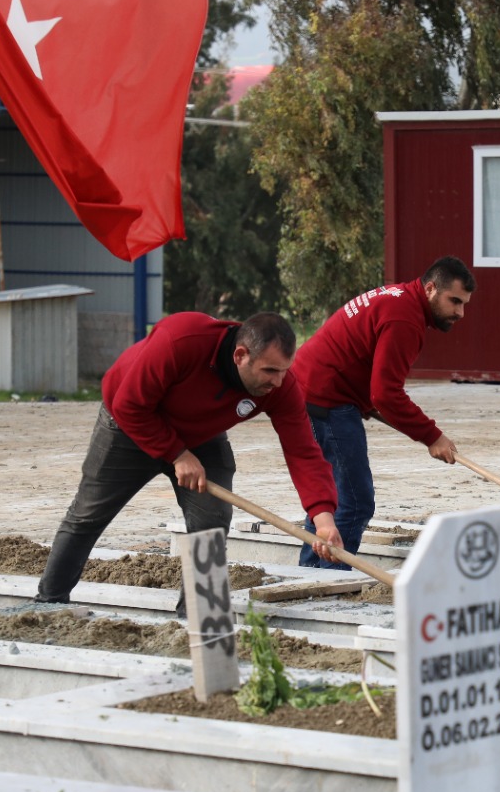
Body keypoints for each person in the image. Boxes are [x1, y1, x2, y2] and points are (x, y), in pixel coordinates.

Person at [35, 311, 342, 608]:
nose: (277, 382)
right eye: (270, 371)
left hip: (200, 436)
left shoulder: (280, 387)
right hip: (130, 425)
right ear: (240, 356)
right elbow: (129, 405)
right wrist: (177, 454)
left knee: (211, 522)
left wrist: (323, 520)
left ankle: (199, 619)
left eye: (284, 371)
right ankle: (49, 602)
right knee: (88, 515)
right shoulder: (181, 340)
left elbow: (303, 451)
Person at [290, 256, 476, 569]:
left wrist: (367, 401)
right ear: (430, 288)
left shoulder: (398, 297)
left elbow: (374, 385)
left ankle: (310, 576)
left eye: (464, 304)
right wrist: (432, 436)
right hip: (326, 398)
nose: (459, 312)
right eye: (454, 301)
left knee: (331, 497)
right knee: (355, 501)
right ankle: (331, 581)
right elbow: (386, 394)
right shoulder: (405, 319)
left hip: (310, 388)